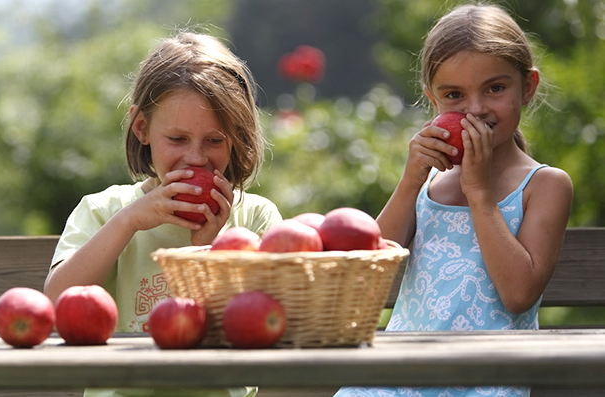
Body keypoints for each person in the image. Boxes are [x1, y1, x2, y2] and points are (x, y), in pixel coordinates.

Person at [335, 4, 573, 397]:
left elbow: (518, 295)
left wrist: (479, 193)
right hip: (396, 379)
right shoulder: (430, 181)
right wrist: (411, 180)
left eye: (495, 88)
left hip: (483, 382)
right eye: (454, 95)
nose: (476, 108)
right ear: (433, 99)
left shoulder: (544, 185)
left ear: (526, 87)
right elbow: (373, 264)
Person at [44, 30, 282, 397]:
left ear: (235, 137)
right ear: (142, 128)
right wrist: (128, 221)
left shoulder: (254, 219)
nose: (197, 157)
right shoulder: (105, 211)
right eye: (178, 139)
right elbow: (57, 301)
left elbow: (272, 324)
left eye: (214, 140)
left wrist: (209, 252)